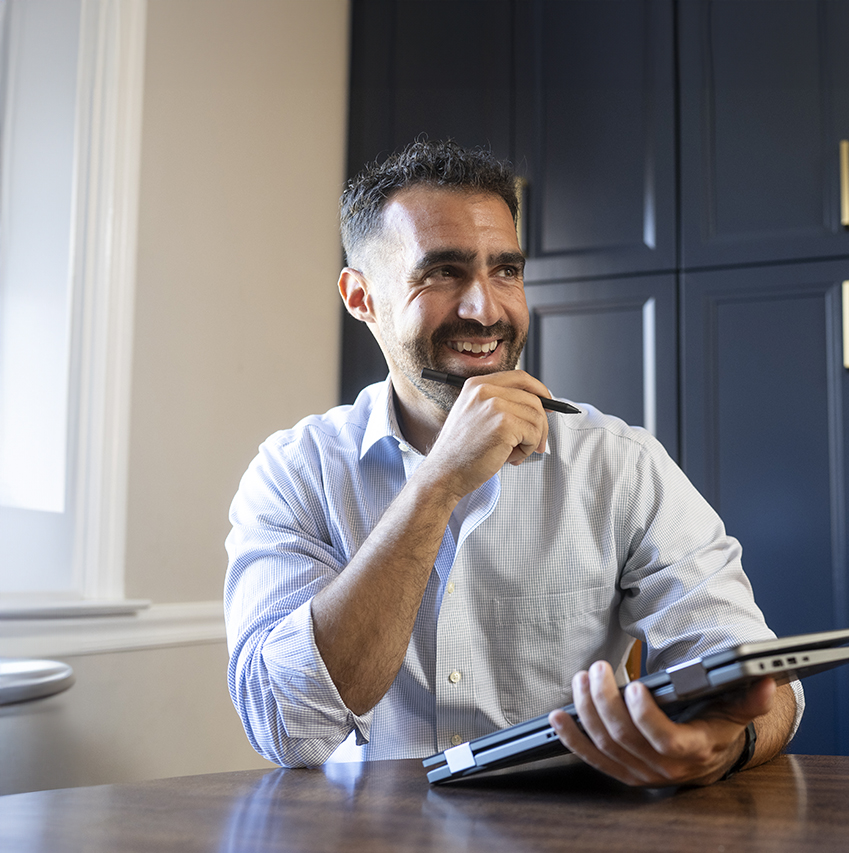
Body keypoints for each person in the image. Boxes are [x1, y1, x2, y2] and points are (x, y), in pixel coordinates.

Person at [224, 140, 802, 787]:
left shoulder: (620, 463)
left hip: (570, 828)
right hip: (368, 830)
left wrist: (726, 743)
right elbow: (285, 724)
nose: (487, 308)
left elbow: (758, 675)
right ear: (361, 296)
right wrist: (438, 483)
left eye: (506, 270)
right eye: (443, 272)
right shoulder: (293, 472)